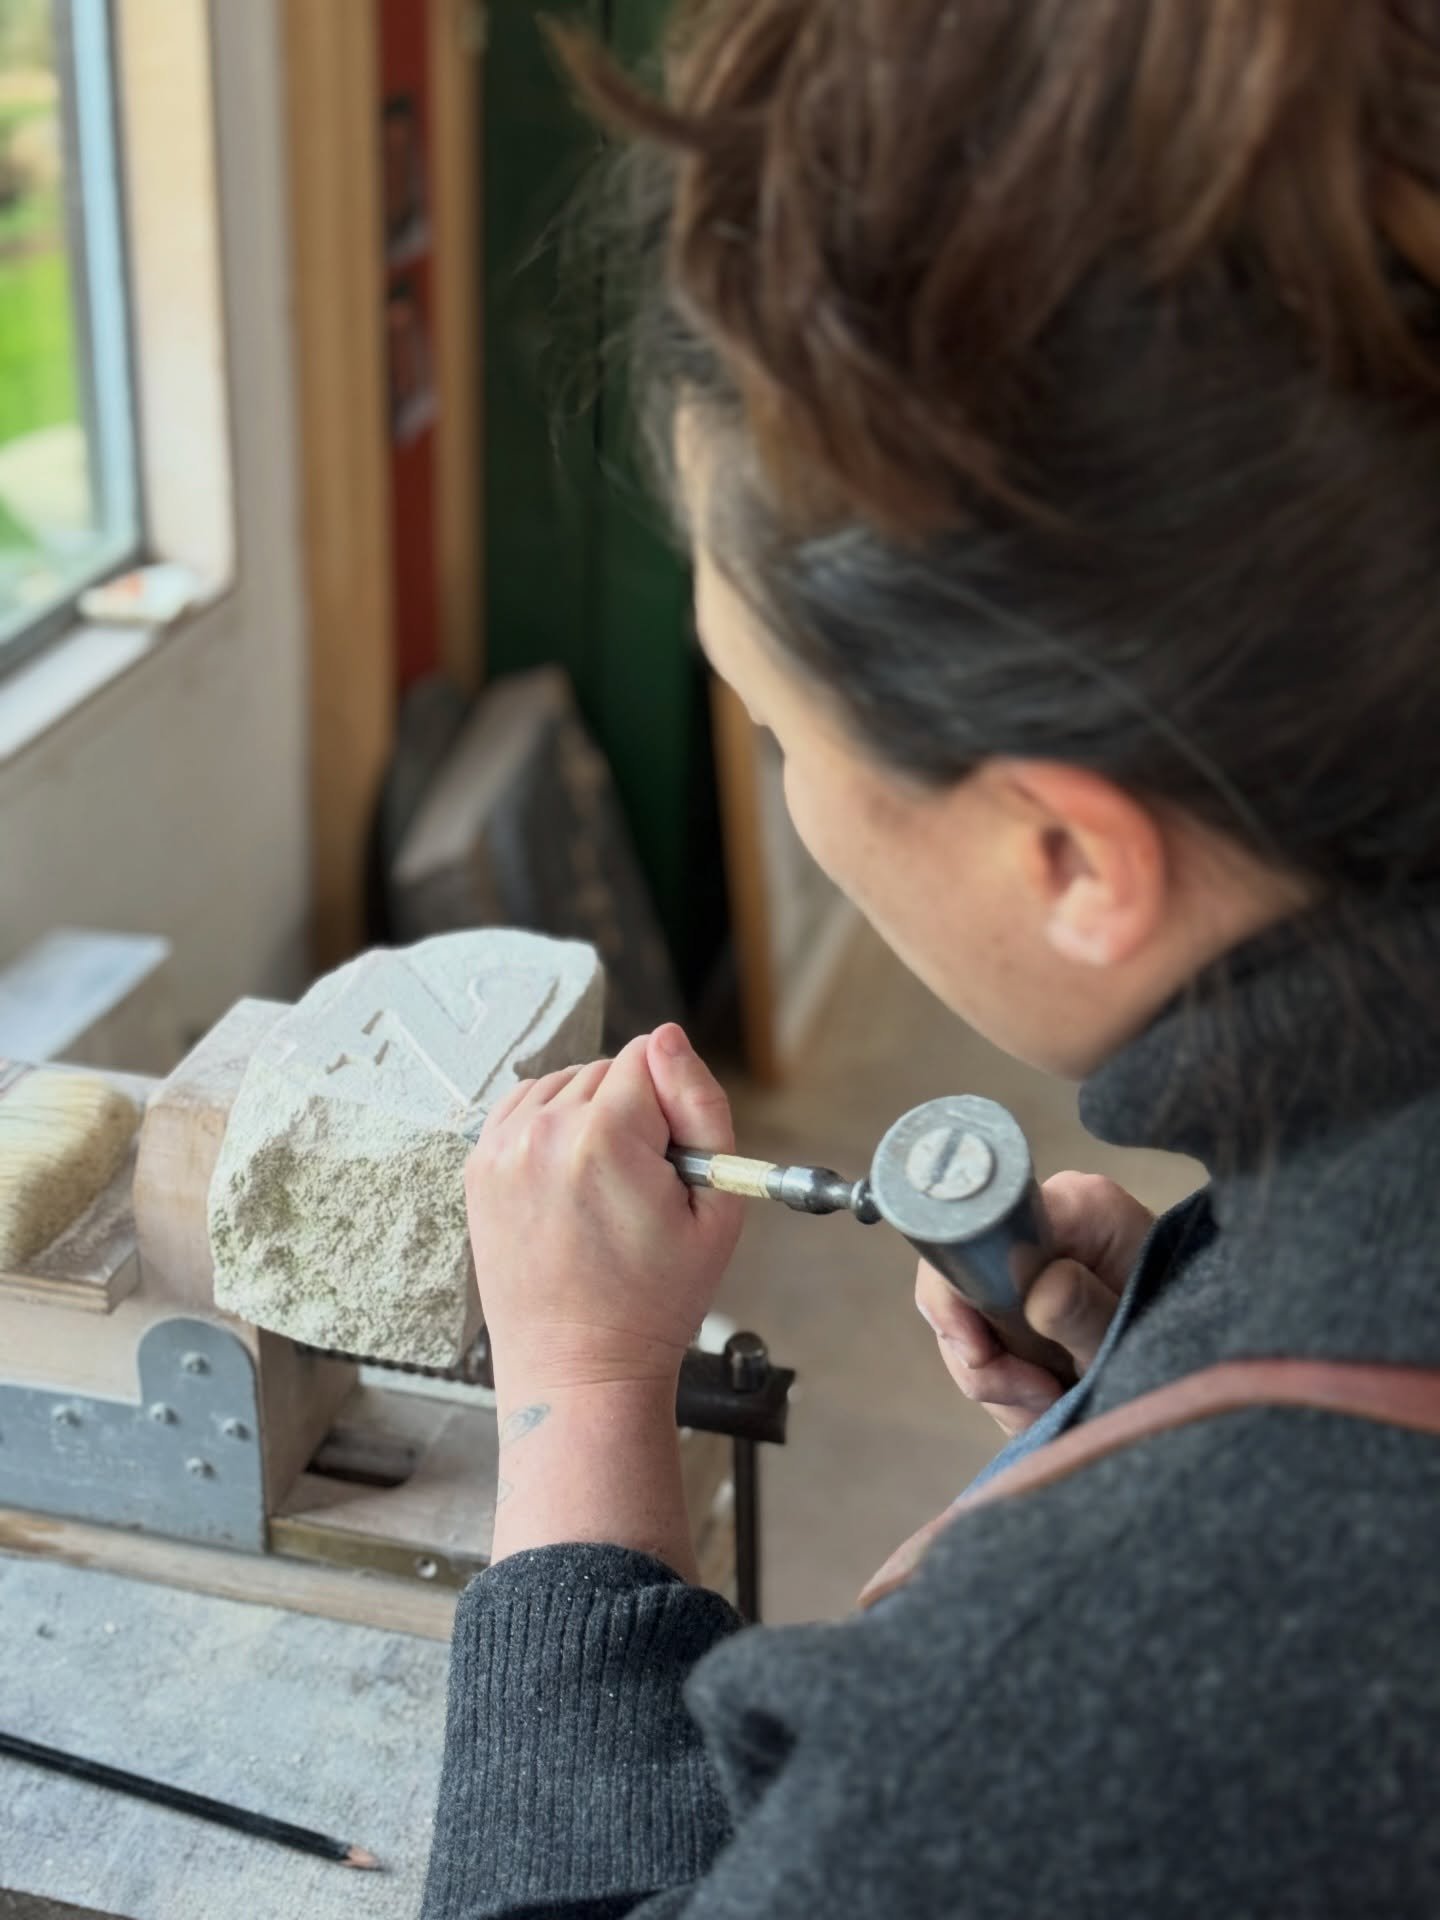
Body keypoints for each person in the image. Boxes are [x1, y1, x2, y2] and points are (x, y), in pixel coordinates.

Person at [423, 3, 1440, 1914]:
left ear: (1068, 855)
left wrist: (580, 1386)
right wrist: (1201, 1335)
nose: (796, 793)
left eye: (783, 736)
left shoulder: (1084, 1693)